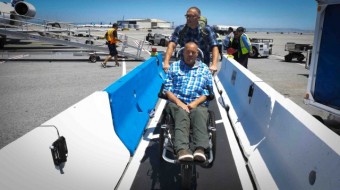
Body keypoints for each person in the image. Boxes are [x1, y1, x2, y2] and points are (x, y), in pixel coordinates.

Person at [163, 42, 213, 162]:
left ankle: (200, 149)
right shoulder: (174, 67)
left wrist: (194, 104)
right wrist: (180, 103)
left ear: (197, 54)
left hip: (197, 103)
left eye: (193, 52)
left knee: (199, 114)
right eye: (187, 52)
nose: (190, 54)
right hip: (177, 102)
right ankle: (182, 150)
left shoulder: (204, 69)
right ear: (183, 52)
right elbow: (167, 89)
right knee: (181, 114)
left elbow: (208, 92)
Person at [163, 7, 219, 73]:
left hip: (202, 64)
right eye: (187, 16)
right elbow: (172, 45)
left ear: (198, 18)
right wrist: (166, 62)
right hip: (184, 63)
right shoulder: (180, 29)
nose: (188, 18)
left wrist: (214, 64)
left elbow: (214, 46)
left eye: (191, 16)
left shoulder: (207, 30)